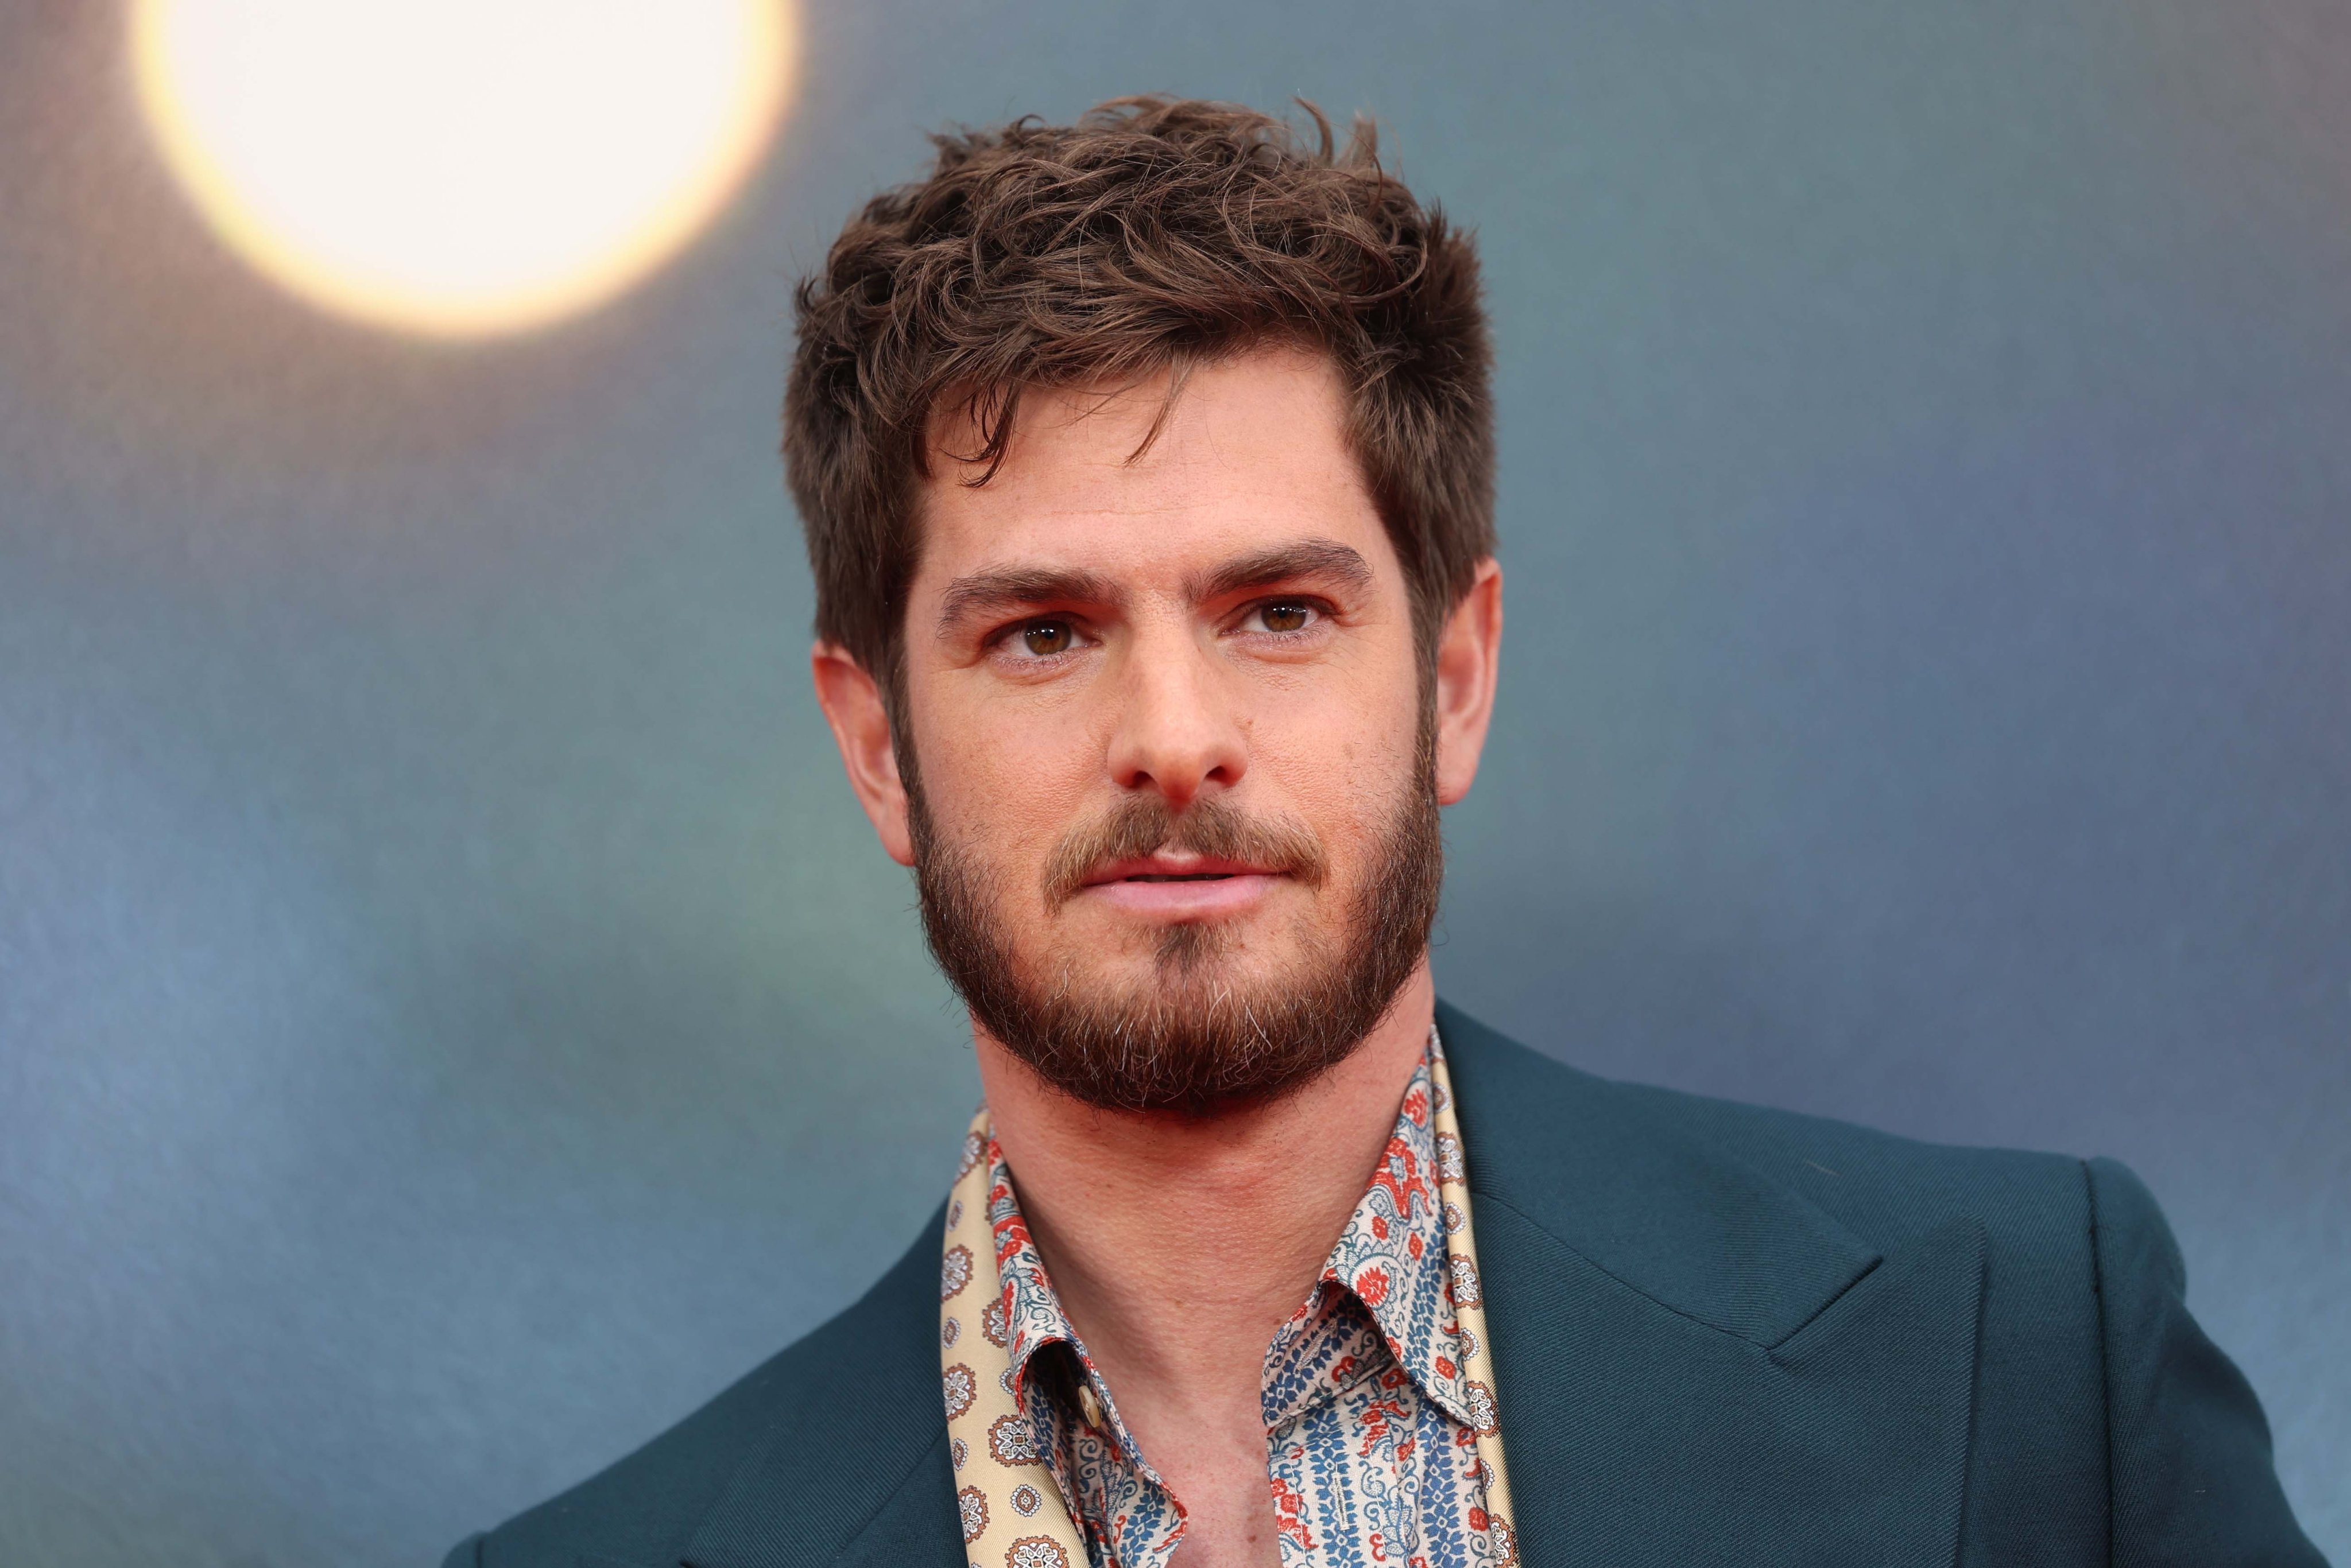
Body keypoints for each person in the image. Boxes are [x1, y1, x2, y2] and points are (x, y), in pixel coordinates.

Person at [443, 98, 2323, 1568]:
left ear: (1456, 677)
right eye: (1043, 632)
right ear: (877, 748)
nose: (1174, 740)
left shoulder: (2016, 1361)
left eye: (1278, 611)